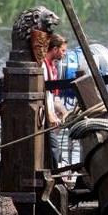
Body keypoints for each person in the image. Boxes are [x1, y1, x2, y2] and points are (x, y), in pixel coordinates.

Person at [43, 33, 68, 167]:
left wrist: (61, 112)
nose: (64, 54)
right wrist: (50, 114)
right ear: (54, 49)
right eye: (63, 50)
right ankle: (57, 172)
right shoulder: (43, 67)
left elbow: (53, 96)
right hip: (43, 117)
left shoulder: (53, 67)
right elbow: (44, 94)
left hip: (49, 114)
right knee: (54, 148)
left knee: (52, 147)